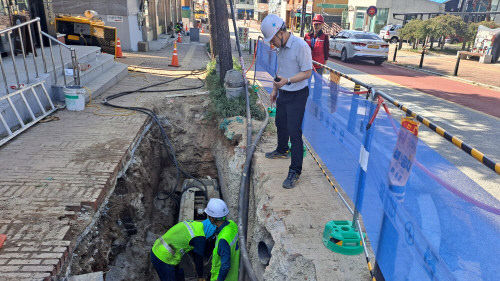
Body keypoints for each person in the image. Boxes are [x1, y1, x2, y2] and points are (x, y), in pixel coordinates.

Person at [261, 14, 312, 189]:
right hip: (284, 90)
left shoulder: (301, 46)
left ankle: (295, 171)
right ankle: (282, 150)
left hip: (298, 94)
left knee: (294, 132)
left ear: (280, 33)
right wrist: (275, 89)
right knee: (280, 122)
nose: (272, 44)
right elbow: (280, 70)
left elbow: (307, 73)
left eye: (272, 40)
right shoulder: (280, 48)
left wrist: (288, 81)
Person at [150, 201, 221, 281]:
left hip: (158, 249)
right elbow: (199, 259)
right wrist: (200, 277)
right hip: (163, 258)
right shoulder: (199, 238)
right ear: (210, 232)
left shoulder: (196, 225)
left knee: (179, 276)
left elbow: (194, 251)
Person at [205, 198, 240, 281]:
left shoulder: (223, 240)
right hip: (234, 275)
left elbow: (225, 266)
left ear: (212, 218)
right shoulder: (232, 225)